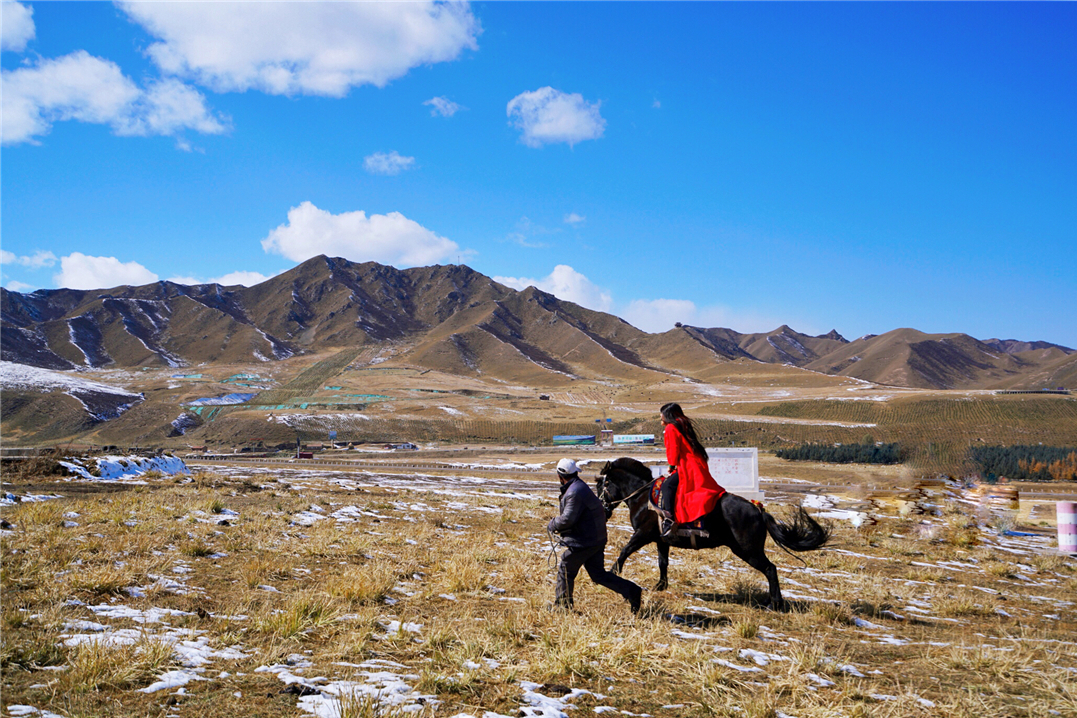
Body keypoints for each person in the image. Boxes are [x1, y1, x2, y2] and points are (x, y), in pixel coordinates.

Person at [547, 458, 643, 613]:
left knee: (566, 567)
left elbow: (567, 519)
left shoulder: (574, 492)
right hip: (595, 538)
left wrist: (553, 524)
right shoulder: (579, 487)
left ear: (560, 476)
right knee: (598, 575)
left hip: (585, 540)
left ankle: (563, 607)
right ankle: (632, 590)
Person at [658, 402, 726, 539]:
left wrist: (671, 466)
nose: (660, 416)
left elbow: (673, 449)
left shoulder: (672, 427)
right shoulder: (683, 424)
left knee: (667, 486)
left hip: (687, 465)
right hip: (696, 462)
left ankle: (669, 520)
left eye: (661, 414)